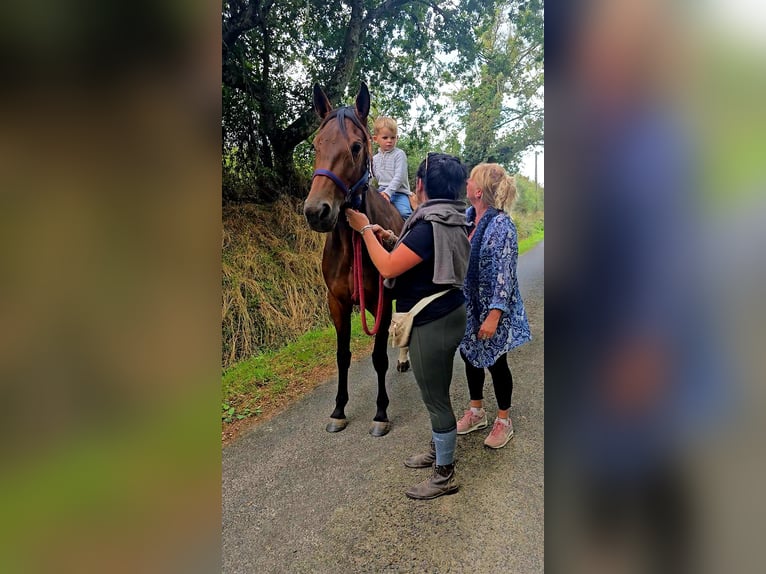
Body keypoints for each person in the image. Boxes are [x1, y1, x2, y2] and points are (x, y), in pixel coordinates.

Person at [345, 152, 470, 500]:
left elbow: (386, 268)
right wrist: (389, 237)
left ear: (419, 186)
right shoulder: (450, 218)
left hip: (431, 322)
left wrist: (366, 229)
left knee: (435, 399)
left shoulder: (428, 225)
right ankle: (438, 449)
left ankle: (445, 475)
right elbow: (416, 256)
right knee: (438, 393)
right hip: (447, 314)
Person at [456, 163, 531, 449]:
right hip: (469, 304)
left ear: (479, 191)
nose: (466, 182)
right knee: (469, 356)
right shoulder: (466, 220)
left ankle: (503, 420)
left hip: (492, 309)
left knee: (497, 362)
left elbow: (505, 273)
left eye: (471, 179)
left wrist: (495, 315)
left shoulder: (502, 225)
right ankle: (476, 412)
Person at [372, 116, 413, 220]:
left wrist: (388, 192)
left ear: (397, 138)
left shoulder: (399, 154)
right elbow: (371, 176)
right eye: (385, 138)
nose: (389, 141)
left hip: (399, 193)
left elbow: (399, 177)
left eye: (393, 137)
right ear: (375, 139)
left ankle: (410, 233)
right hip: (381, 191)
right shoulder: (374, 159)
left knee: (405, 214)